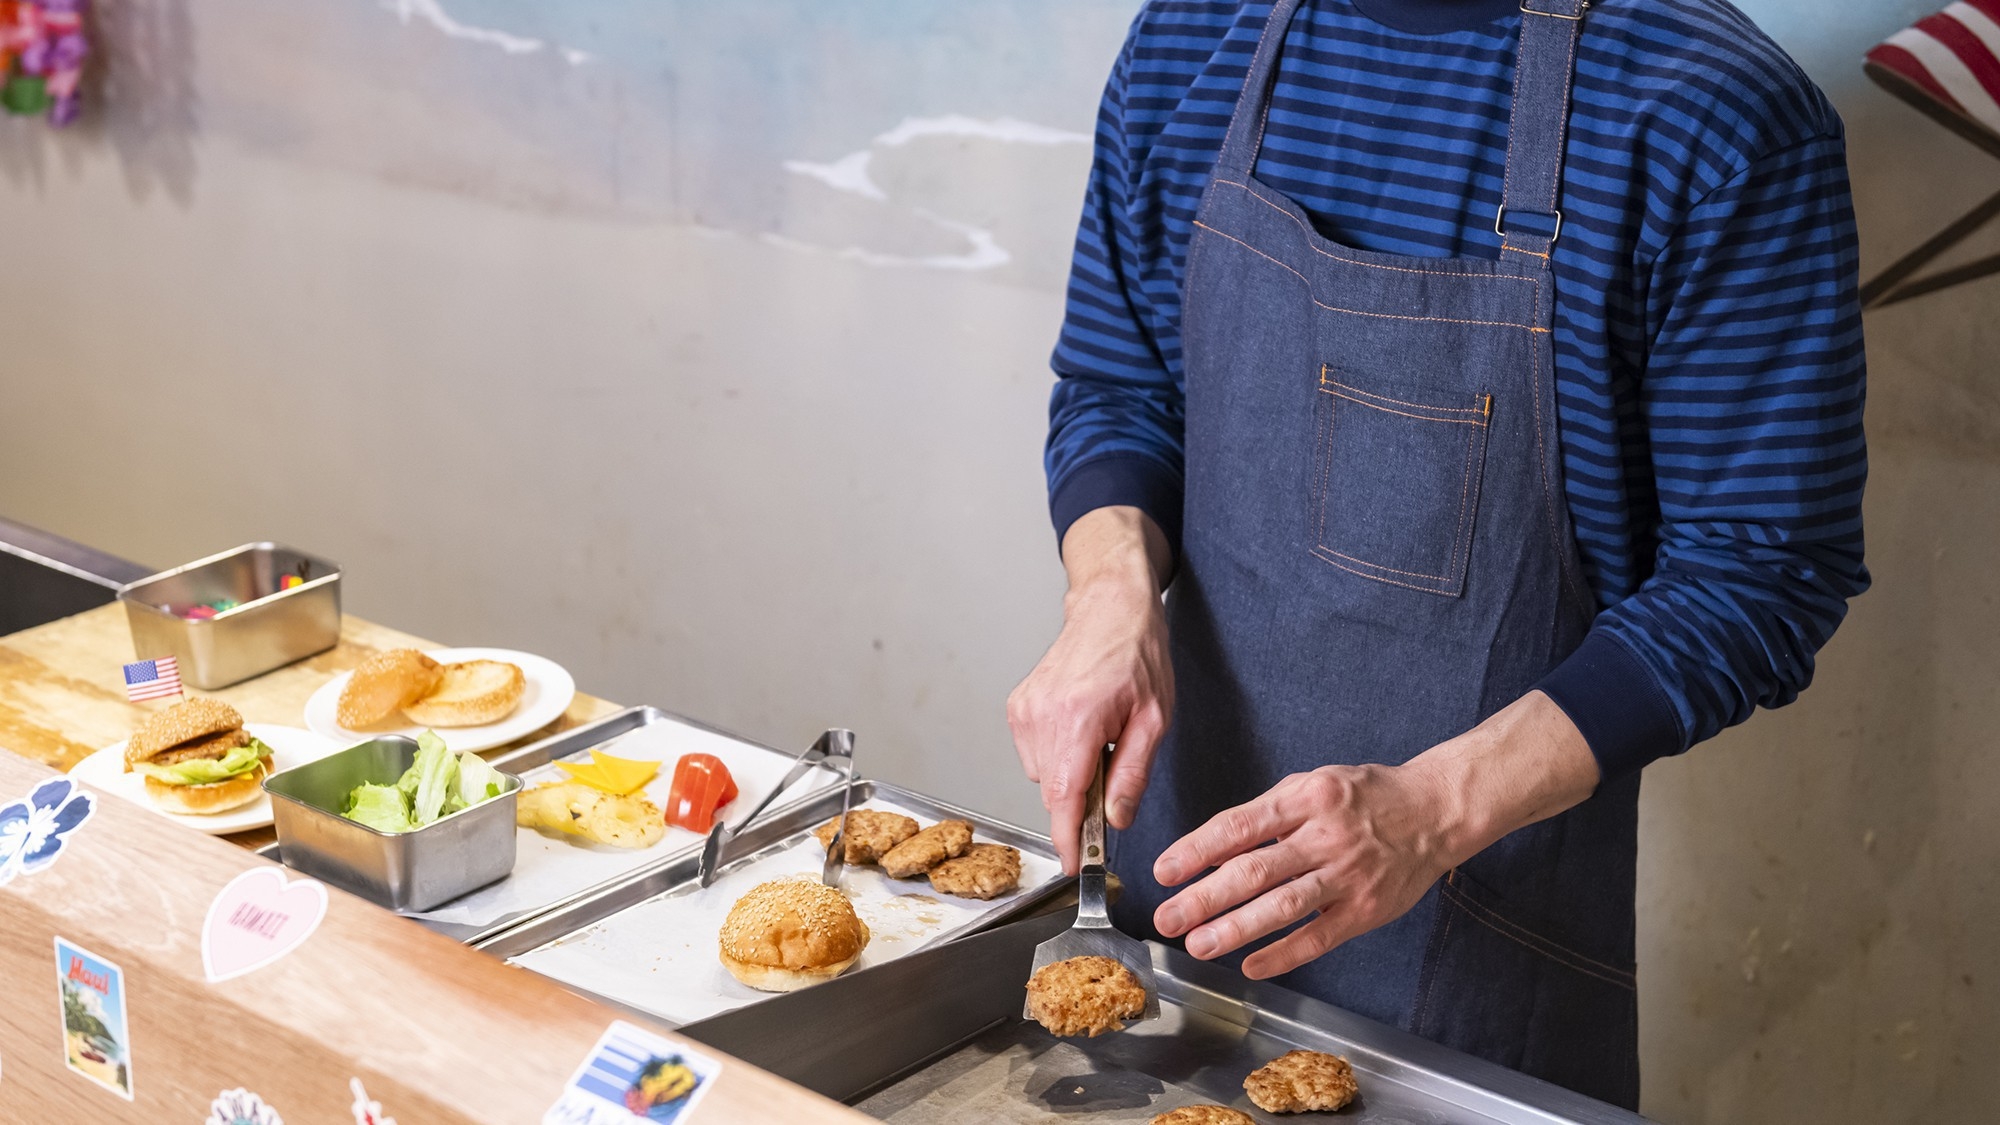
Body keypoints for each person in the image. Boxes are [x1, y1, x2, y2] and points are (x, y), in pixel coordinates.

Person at [1007, 0, 1868, 1108]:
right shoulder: (1189, 34)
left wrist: (1429, 813)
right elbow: (1119, 387)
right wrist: (1109, 593)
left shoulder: (1709, 110)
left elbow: (1759, 573)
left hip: (1482, 932)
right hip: (1168, 884)